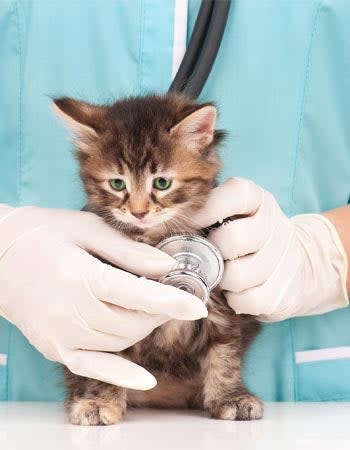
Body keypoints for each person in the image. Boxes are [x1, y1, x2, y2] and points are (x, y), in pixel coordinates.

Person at [0, 0, 349, 402]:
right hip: (27, 407)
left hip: (307, 404)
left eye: (157, 187)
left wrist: (329, 253)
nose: (139, 209)